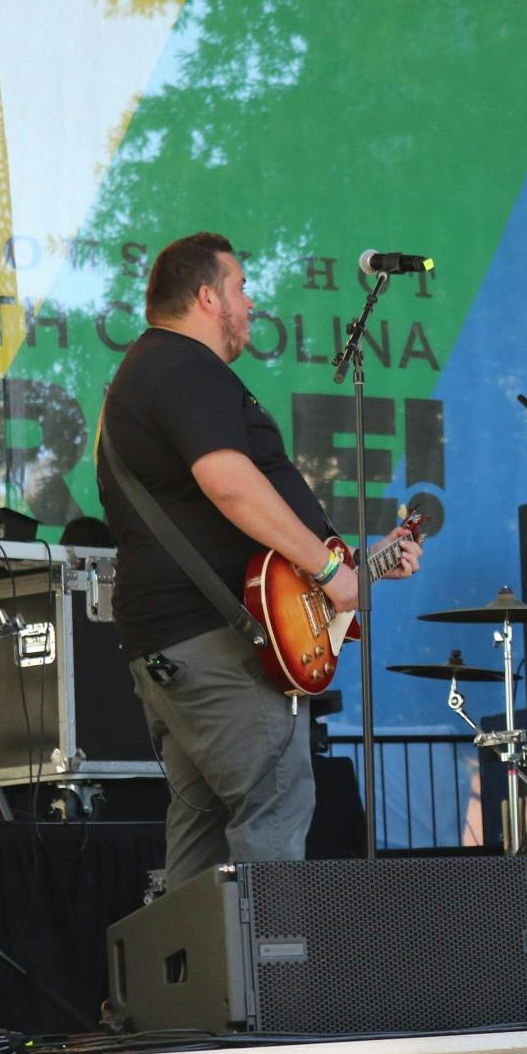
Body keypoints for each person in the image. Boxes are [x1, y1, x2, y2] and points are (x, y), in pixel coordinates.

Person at [98, 231, 422, 887]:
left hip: (179, 641)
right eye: (242, 286)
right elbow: (229, 482)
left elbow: (233, 521)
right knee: (275, 803)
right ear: (208, 296)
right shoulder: (183, 366)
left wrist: (360, 562)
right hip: (211, 640)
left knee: (202, 833)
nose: (251, 301)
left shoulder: (151, 373)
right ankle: (262, 983)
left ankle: (179, 989)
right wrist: (333, 573)